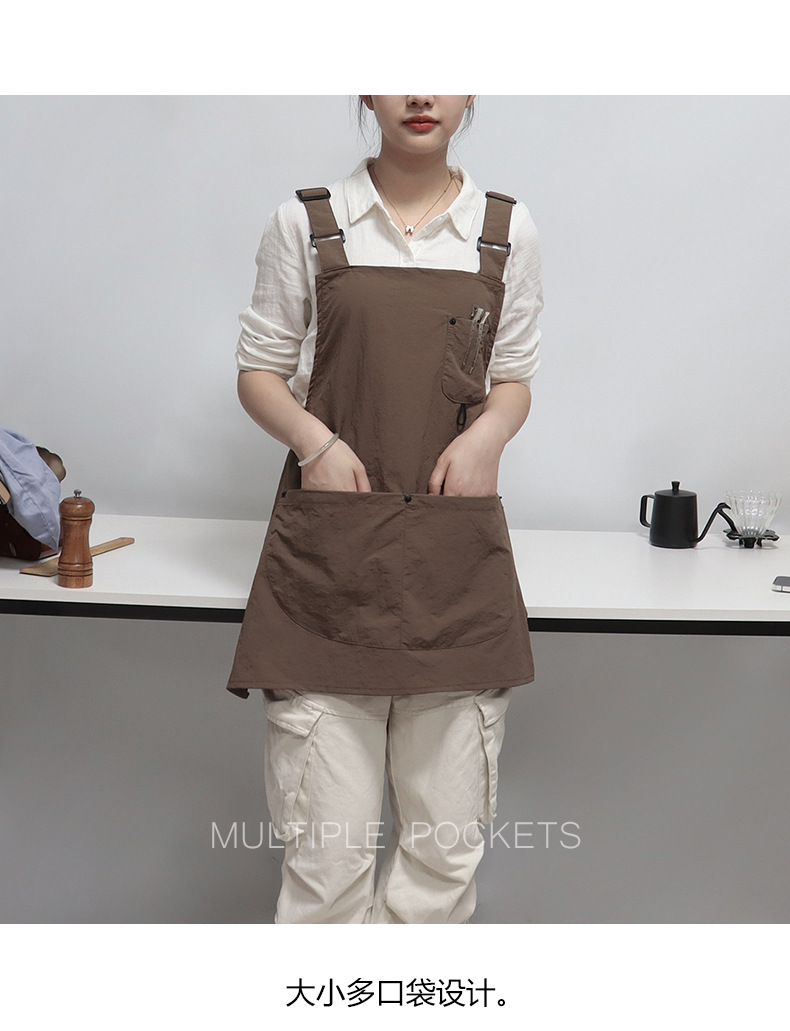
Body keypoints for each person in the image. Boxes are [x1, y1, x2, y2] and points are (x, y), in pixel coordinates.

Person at [226, 95, 543, 924]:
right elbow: (260, 370)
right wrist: (315, 443)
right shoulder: (307, 222)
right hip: (329, 573)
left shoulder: (505, 229)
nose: (421, 95)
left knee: (441, 866)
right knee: (325, 865)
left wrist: (488, 437)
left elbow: (512, 375)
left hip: (452, 570)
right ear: (366, 90)